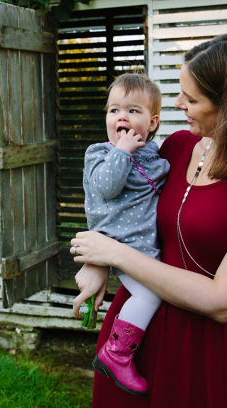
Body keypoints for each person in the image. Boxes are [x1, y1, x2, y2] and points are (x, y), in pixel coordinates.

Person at [70, 31, 227, 407]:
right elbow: (117, 206)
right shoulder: (177, 147)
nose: (179, 104)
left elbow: (224, 300)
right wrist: (96, 261)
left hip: (206, 346)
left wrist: (112, 255)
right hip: (134, 333)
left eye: (191, 97)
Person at [77, 74, 169, 395]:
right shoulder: (99, 153)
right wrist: (123, 151)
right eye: (114, 110)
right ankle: (117, 353)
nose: (121, 118)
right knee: (149, 294)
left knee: (151, 293)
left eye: (133, 111)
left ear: (152, 122)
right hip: (119, 243)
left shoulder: (155, 158)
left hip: (143, 244)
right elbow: (107, 186)